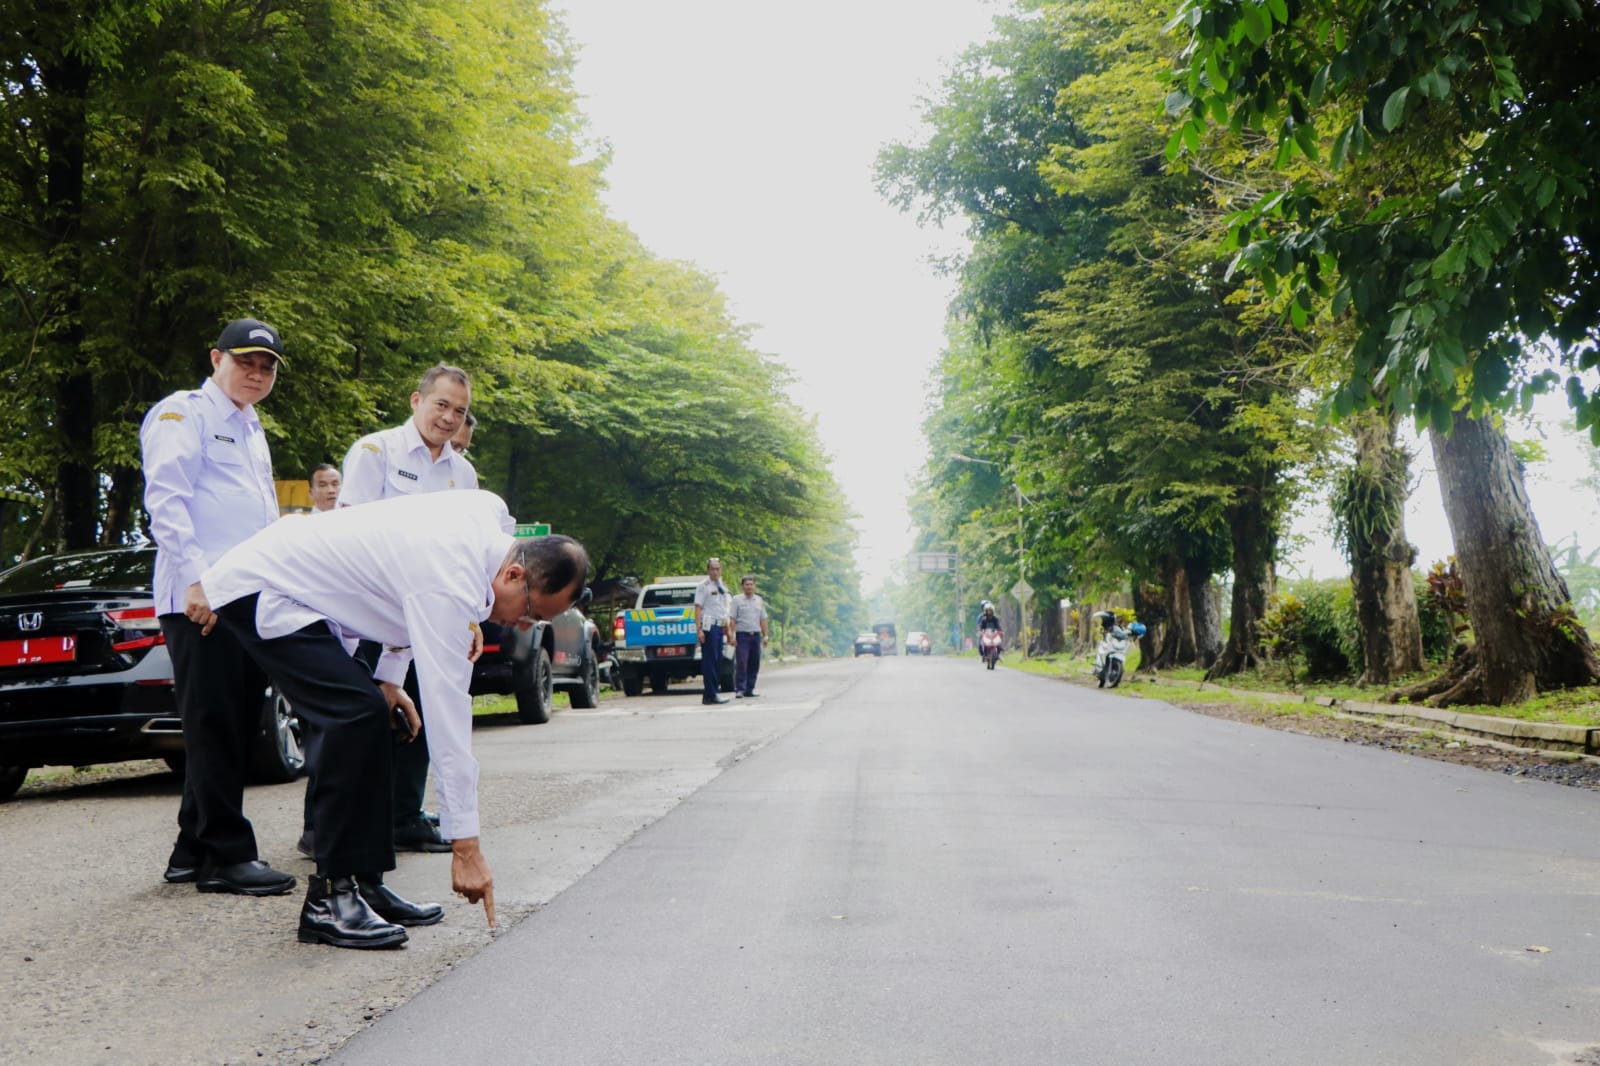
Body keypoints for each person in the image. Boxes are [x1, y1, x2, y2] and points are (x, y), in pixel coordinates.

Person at [189, 490, 587, 948]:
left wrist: (390, 680)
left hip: (314, 595)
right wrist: (466, 847)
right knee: (352, 717)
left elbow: (401, 590)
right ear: (514, 574)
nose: (524, 626)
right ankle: (329, 901)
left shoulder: (489, 516)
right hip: (267, 587)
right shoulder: (450, 579)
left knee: (371, 711)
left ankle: (364, 883)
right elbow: (449, 717)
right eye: (532, 612)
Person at [139, 317, 296, 896]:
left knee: (227, 723)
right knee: (214, 725)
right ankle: (227, 856)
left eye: (267, 366)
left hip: (244, 595)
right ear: (216, 359)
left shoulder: (251, 427)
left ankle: (191, 849)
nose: (256, 373)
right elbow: (168, 500)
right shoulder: (185, 413)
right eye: (245, 361)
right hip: (200, 599)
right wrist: (195, 583)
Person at [331, 364, 477, 854]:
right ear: (416, 401)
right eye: (442, 405)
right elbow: (349, 533)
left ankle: (402, 816)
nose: (449, 417)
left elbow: (466, 552)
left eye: (459, 411)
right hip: (371, 611)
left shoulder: (463, 473)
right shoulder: (376, 452)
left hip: (430, 618)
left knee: (423, 712)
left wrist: (470, 616)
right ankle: (324, 826)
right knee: (358, 722)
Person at [694, 558, 732, 705]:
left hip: (719, 626)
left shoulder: (722, 586)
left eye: (718, 569)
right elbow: (698, 608)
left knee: (717, 661)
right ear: (708, 570)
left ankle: (712, 692)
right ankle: (710, 694)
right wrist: (699, 629)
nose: (715, 572)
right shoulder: (703, 586)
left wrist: (728, 630)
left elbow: (723, 610)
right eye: (712, 569)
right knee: (709, 662)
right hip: (708, 628)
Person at [730, 575, 768, 698]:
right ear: (743, 586)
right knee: (742, 662)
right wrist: (732, 635)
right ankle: (740, 689)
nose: (749, 587)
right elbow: (732, 619)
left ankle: (750, 689)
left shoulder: (759, 600)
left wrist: (765, 635)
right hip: (742, 636)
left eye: (751, 584)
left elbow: (763, 619)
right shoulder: (736, 600)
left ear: (754, 586)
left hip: (755, 636)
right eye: (747, 585)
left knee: (754, 663)